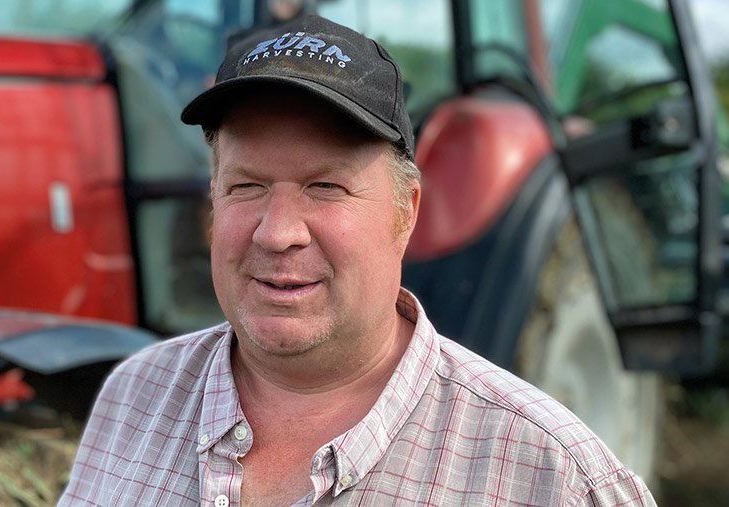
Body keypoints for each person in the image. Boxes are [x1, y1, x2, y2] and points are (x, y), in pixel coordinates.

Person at [59, 15, 656, 506]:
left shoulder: (555, 477)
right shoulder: (132, 399)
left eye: (326, 187)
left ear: (405, 212)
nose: (278, 233)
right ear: (212, 203)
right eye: (246, 187)